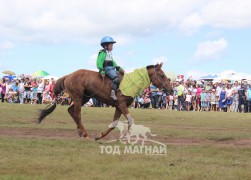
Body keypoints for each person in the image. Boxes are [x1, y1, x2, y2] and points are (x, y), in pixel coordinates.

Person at [96, 36, 125, 100]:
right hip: (107, 69)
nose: (112, 47)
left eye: (112, 46)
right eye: (111, 45)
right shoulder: (102, 52)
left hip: (112, 68)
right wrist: (101, 70)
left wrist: (119, 68)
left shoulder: (109, 53)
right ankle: (112, 93)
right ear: (105, 46)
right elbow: (99, 62)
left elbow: (113, 62)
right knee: (117, 79)